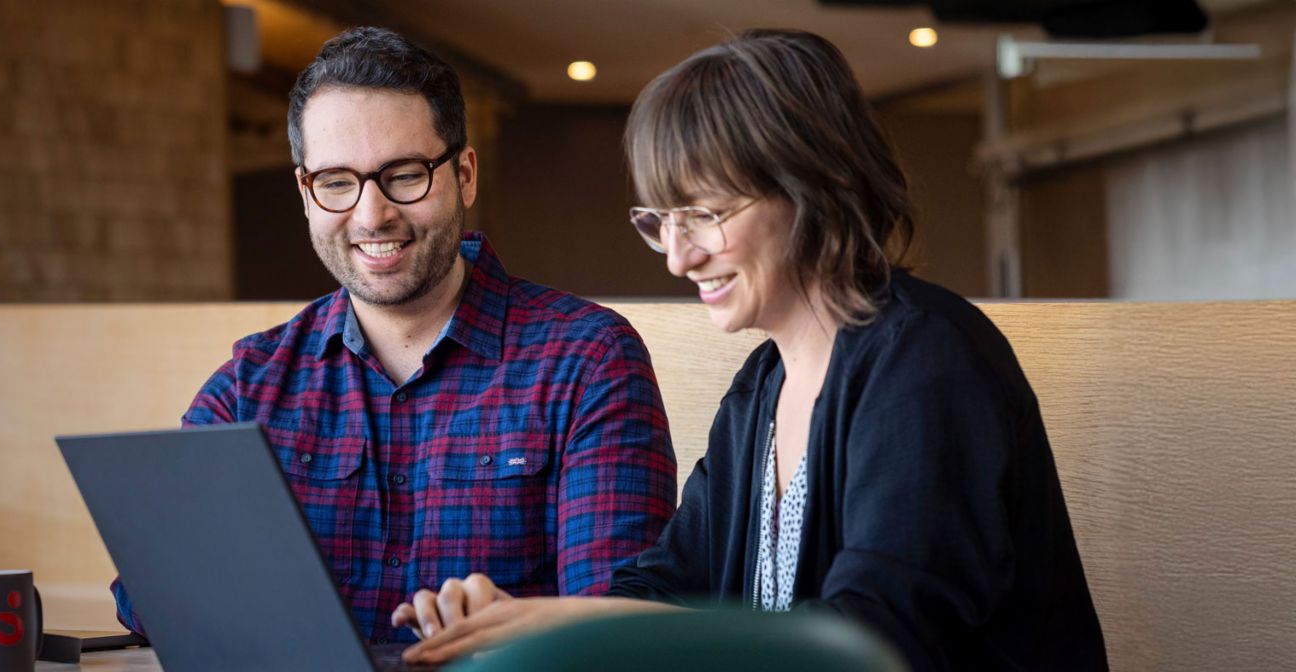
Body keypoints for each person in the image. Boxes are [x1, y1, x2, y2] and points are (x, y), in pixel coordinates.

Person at [394, 29, 1108, 670]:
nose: (677, 258)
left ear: (812, 185)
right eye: (661, 221)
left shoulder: (926, 360)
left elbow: (873, 643)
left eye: (703, 214)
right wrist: (523, 620)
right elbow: (668, 588)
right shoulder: (761, 387)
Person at [109, 26, 677, 643]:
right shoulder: (252, 385)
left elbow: (616, 633)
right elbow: (146, 602)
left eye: (404, 174)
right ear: (306, 193)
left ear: (464, 174)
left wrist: (512, 627)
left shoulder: (588, 361)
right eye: (336, 182)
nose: (371, 214)